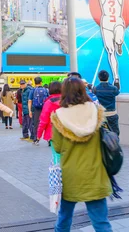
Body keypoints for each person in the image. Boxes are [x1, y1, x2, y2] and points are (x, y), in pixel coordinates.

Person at [51, 78, 112, 232]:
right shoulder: (95, 111)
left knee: (64, 219)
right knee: (101, 222)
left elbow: (57, 147)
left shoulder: (59, 116)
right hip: (95, 173)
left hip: (70, 175)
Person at [94, 70, 121, 136]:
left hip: (101, 115)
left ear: (99, 78)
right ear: (108, 77)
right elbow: (117, 92)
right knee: (115, 133)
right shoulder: (113, 88)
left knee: (101, 135)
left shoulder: (96, 89)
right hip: (112, 114)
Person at [28, 77, 49, 146]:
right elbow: (48, 99)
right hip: (45, 109)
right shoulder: (45, 90)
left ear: (34, 82)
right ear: (41, 82)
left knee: (36, 124)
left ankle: (36, 139)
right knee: (46, 124)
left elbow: (29, 101)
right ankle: (49, 139)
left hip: (35, 109)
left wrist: (30, 111)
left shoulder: (33, 90)